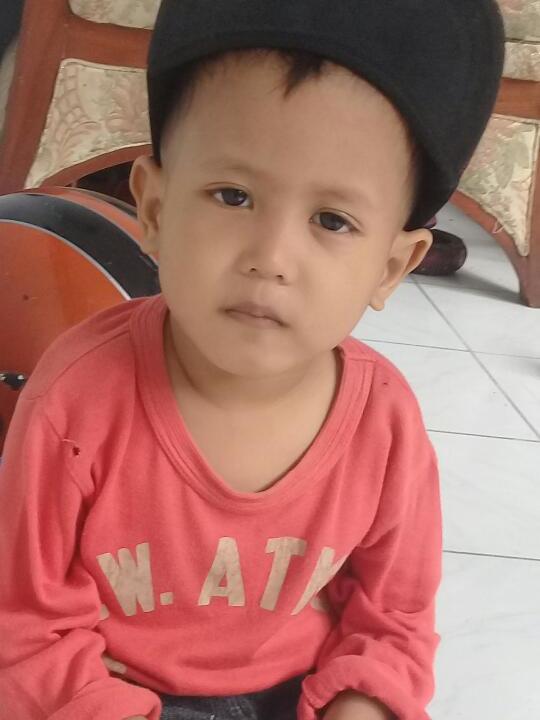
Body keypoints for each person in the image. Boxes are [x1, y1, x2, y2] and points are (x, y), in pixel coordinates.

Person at [0, 1, 505, 719]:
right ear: (155, 209)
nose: (270, 258)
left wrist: (362, 702)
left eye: (332, 220)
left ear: (392, 266)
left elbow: (393, 624)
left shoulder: (385, 425)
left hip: (301, 695)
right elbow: (26, 629)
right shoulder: (75, 401)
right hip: (113, 693)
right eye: (233, 196)